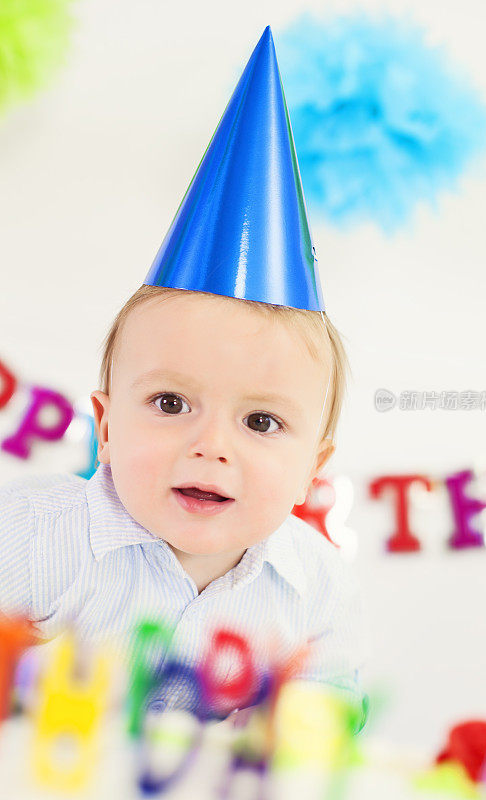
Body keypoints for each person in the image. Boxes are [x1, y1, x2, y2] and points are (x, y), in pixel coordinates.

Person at [0, 26, 362, 718]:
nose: (210, 446)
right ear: (106, 424)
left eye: (261, 420)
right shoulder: (30, 537)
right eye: (170, 403)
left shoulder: (315, 587)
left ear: (314, 467)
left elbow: (328, 722)